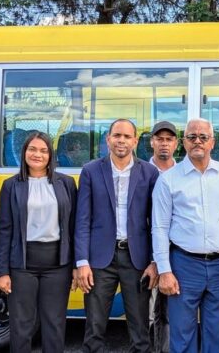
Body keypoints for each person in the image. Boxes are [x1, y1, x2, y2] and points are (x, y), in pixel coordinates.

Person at [152, 118, 219, 353]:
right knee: (182, 335)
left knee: (216, 335)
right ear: (184, 142)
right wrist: (164, 270)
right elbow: (160, 228)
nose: (197, 141)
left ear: (212, 142)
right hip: (183, 265)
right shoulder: (168, 180)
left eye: (203, 137)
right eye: (192, 137)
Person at [75, 119, 160, 353]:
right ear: (108, 139)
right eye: (117, 135)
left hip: (136, 258)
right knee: (94, 326)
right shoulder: (91, 171)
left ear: (135, 141)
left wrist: (154, 260)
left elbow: (156, 222)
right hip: (100, 259)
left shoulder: (149, 172)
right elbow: (82, 220)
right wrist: (82, 261)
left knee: (140, 326)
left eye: (127, 136)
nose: (121, 140)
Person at [0, 132, 78, 352]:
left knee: (54, 324)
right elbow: (4, 229)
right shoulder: (11, 185)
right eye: (32, 149)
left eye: (43, 150)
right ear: (24, 153)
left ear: (51, 155)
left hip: (58, 265)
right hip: (22, 265)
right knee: (21, 326)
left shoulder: (66, 183)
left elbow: (74, 228)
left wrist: (76, 265)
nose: (37, 155)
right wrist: (1, 271)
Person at [148, 120, 179, 353]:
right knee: (149, 313)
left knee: (172, 312)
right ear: (152, 142)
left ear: (176, 144)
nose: (164, 144)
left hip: (178, 253)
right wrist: (153, 258)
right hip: (147, 255)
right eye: (160, 139)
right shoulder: (141, 171)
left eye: (169, 139)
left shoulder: (184, 172)